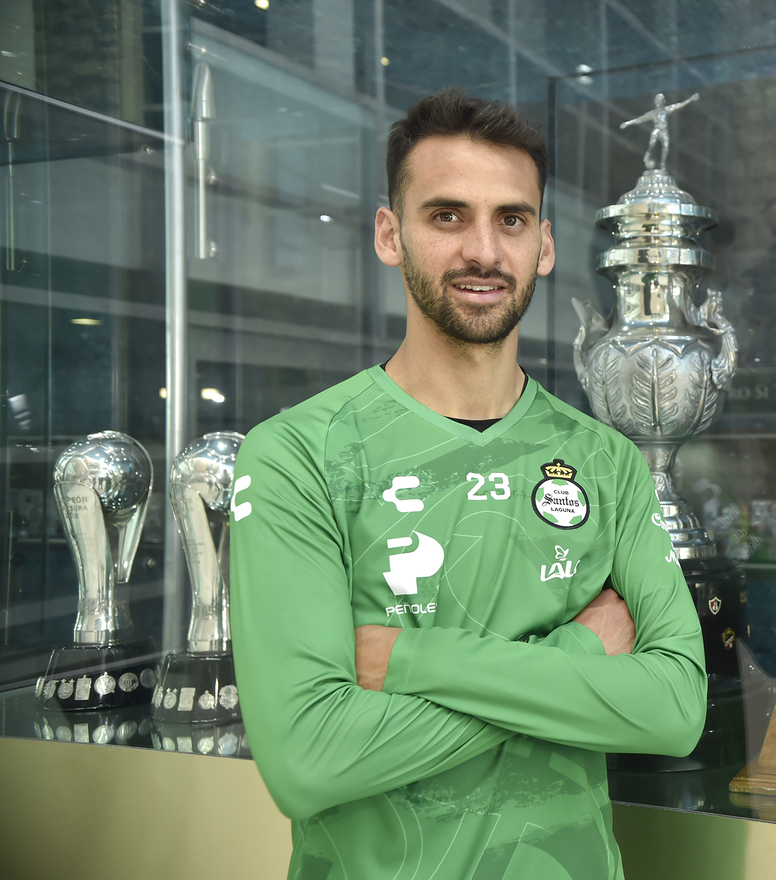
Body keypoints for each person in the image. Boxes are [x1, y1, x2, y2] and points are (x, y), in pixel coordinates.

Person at [229, 88, 706, 880]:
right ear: (391, 234)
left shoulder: (606, 461)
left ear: (544, 245)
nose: (483, 250)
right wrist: (579, 656)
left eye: (511, 219)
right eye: (446, 215)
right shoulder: (299, 455)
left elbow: (675, 710)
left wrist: (412, 664)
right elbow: (308, 759)